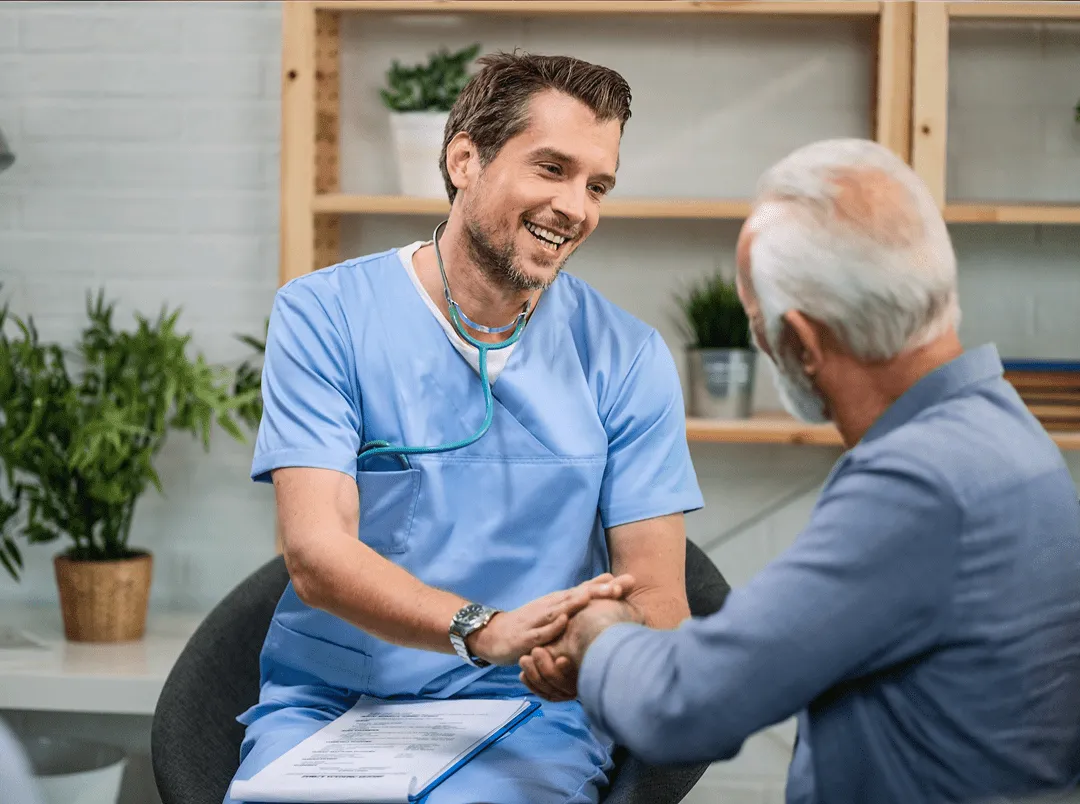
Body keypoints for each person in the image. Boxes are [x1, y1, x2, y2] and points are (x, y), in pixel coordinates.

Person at [521, 138, 1080, 803]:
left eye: (759, 329)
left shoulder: (920, 482)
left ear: (803, 345)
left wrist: (599, 635)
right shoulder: (1006, 432)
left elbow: (688, 707)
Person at [225, 52, 704, 804]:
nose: (576, 207)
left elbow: (662, 607)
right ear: (464, 159)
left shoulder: (626, 357)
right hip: (338, 703)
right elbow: (316, 554)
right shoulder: (325, 316)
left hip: (529, 713)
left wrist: (592, 643)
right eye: (552, 168)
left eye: (597, 185)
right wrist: (483, 629)